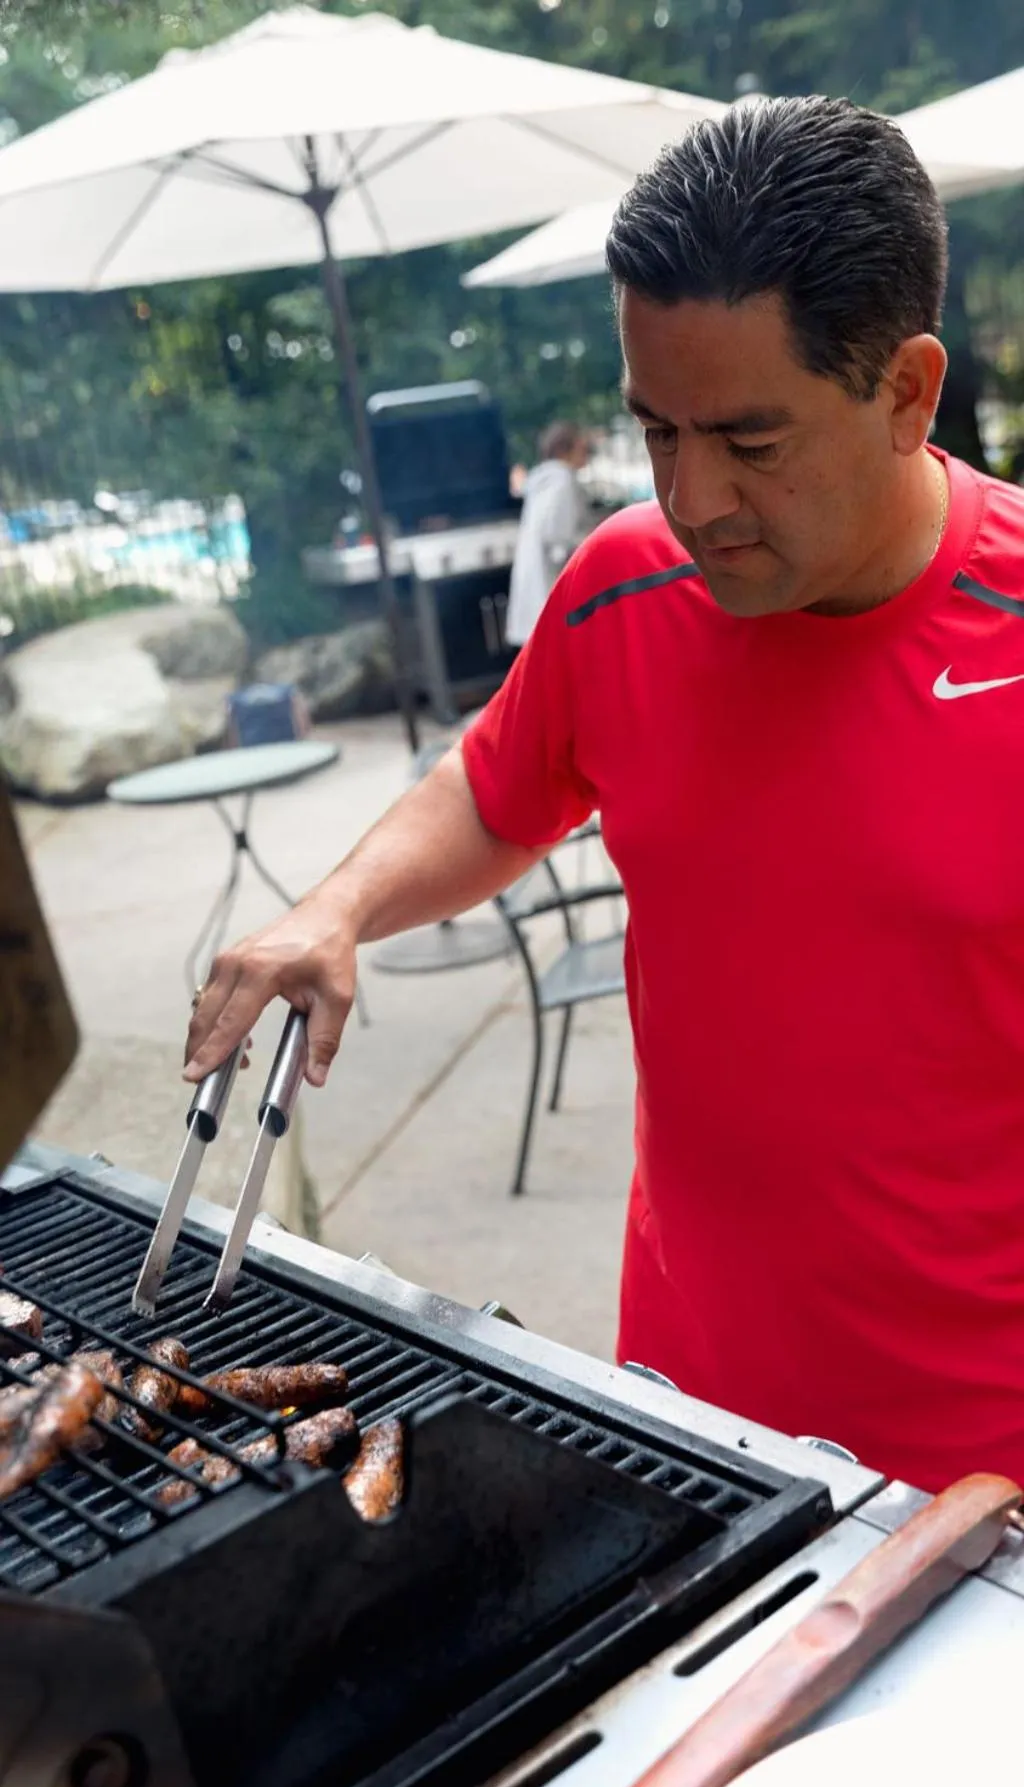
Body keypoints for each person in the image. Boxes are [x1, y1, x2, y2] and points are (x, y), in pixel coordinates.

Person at [186, 96, 1024, 1494]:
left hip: (985, 1466)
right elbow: (493, 792)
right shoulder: (622, 587)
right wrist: (338, 905)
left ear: (907, 391)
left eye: (751, 442)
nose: (693, 500)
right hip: (689, 1413)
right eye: (656, 432)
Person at [505, 421, 593, 646]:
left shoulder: (544, 481)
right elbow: (558, 537)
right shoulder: (562, 480)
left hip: (537, 582)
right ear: (564, 449)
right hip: (551, 584)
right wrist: (593, 540)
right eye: (581, 447)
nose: (586, 452)